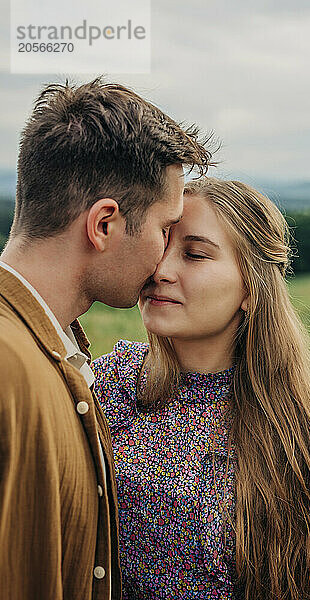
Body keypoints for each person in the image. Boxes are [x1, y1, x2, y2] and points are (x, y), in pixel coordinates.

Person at [92, 177, 310, 600]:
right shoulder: (108, 384)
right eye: (160, 248)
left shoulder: (295, 418)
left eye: (195, 255)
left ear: (251, 288)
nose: (161, 271)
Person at [0, 78, 212, 600]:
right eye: (165, 228)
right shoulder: (8, 363)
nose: (164, 258)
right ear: (104, 225)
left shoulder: (54, 351)